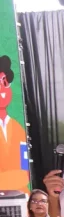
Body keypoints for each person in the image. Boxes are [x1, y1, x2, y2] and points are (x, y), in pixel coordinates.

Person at [0, 55, 29, 194]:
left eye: (4, 82)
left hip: (19, 202)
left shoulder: (18, 129)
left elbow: (25, 174)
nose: (2, 90)